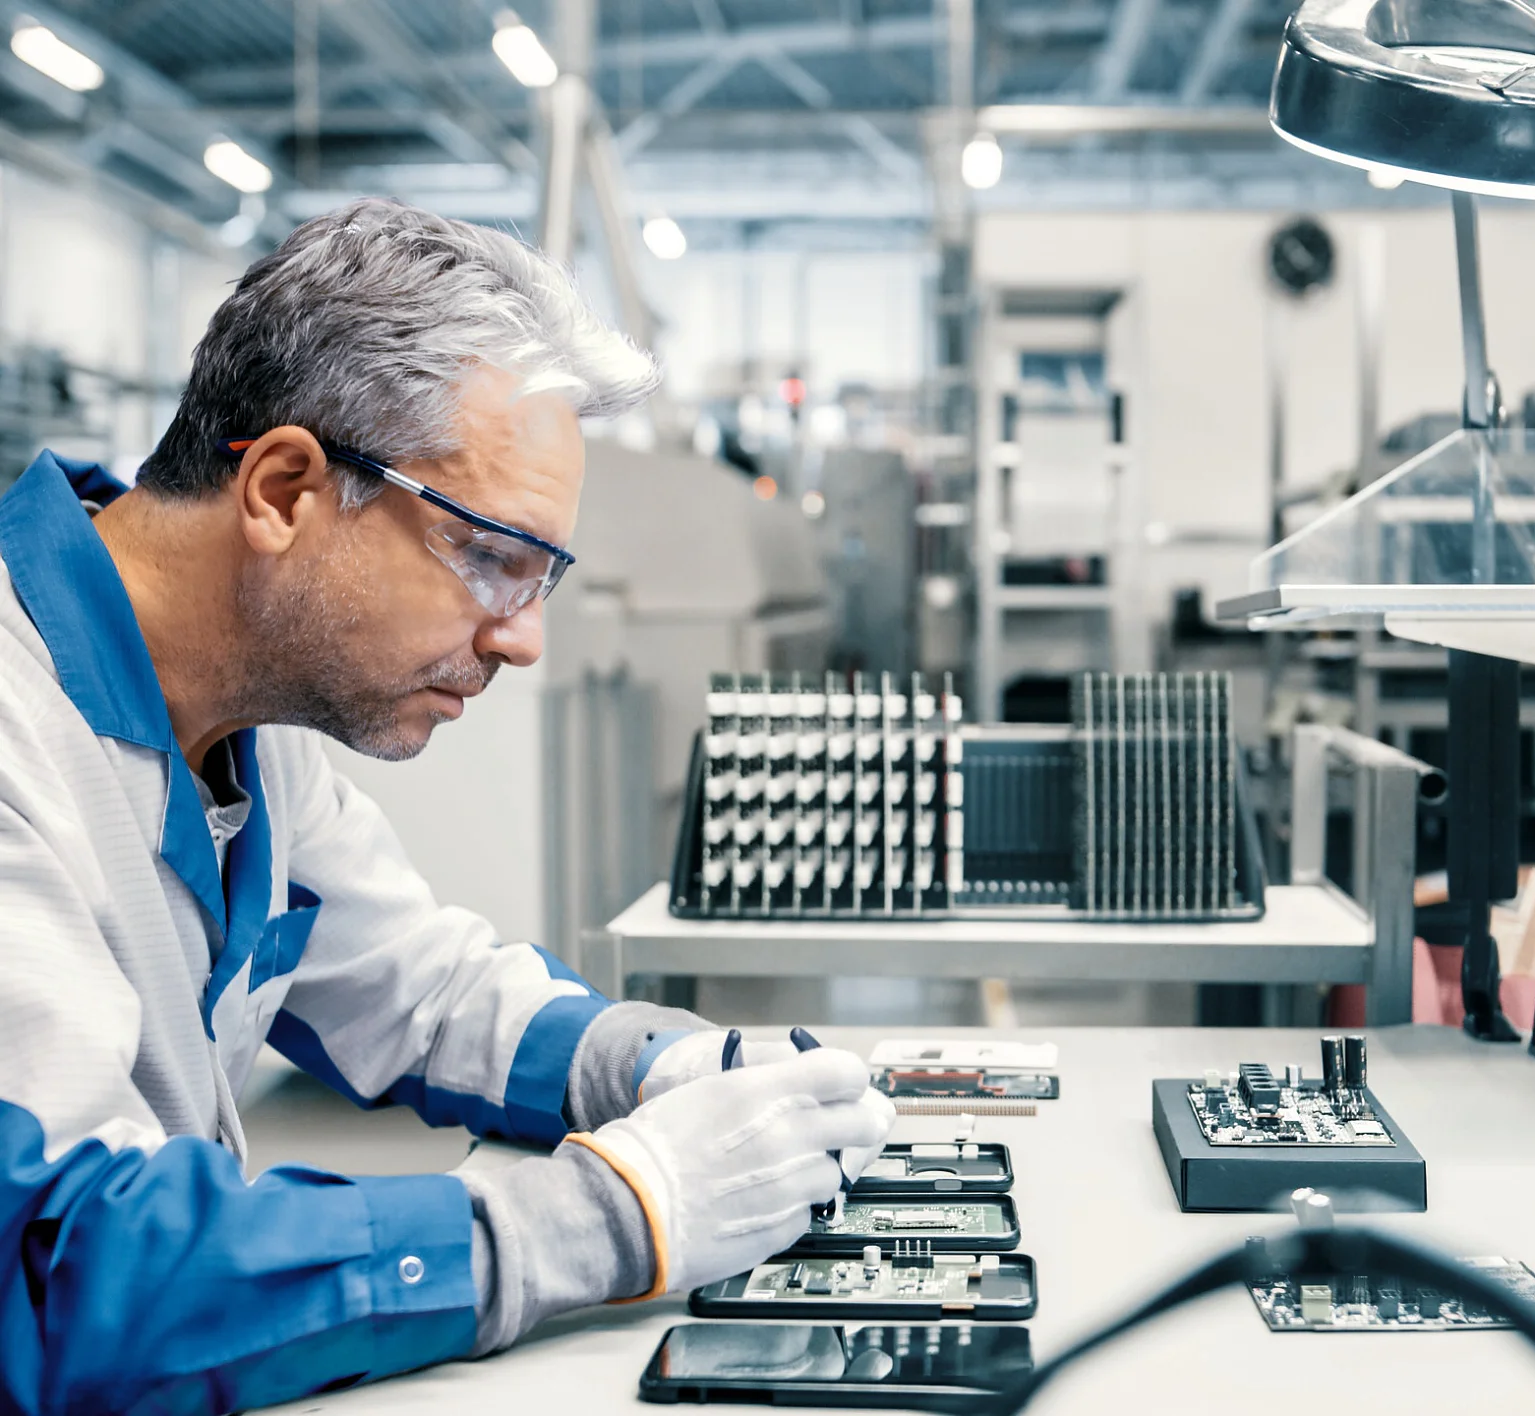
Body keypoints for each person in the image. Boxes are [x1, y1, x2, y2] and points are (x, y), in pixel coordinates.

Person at [0, 197, 894, 1413]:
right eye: (491, 558)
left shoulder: (234, 722)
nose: (520, 640)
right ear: (282, 489)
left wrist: (667, 1064)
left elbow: (420, 996)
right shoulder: (19, 734)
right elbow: (65, 1275)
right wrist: (615, 1213)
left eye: (543, 580)